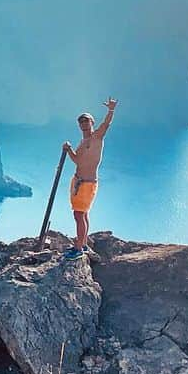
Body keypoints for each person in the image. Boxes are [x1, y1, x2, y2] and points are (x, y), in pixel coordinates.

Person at [62, 97, 117, 259]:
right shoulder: (83, 141)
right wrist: (69, 149)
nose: (84, 124)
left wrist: (111, 110)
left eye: (87, 121)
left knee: (79, 215)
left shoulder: (97, 137)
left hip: (87, 183)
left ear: (92, 123)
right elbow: (77, 160)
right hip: (79, 182)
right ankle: (83, 244)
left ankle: (78, 249)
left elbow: (106, 125)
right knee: (82, 214)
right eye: (81, 122)